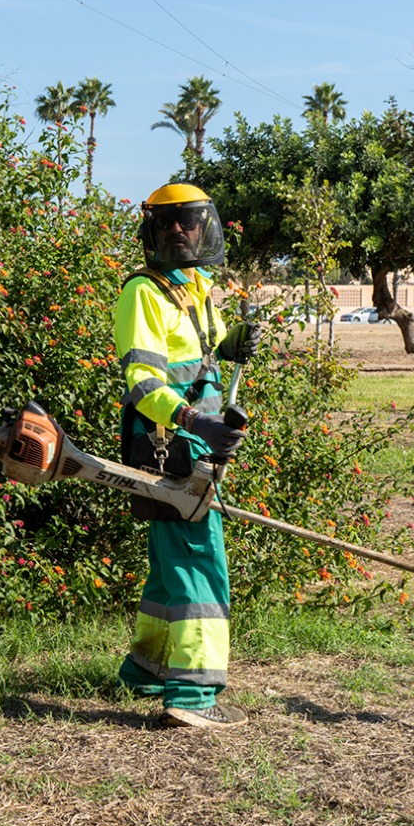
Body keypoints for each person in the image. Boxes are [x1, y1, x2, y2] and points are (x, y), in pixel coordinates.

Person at [111, 183, 258, 729]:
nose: (179, 230)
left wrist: (235, 339)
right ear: (152, 230)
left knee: (169, 560)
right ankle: (194, 697)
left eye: (188, 220)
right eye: (169, 221)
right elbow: (143, 382)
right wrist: (197, 421)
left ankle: (147, 671)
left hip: (198, 443)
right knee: (199, 561)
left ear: (204, 227)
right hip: (168, 446)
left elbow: (204, 351)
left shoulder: (198, 286)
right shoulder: (143, 293)